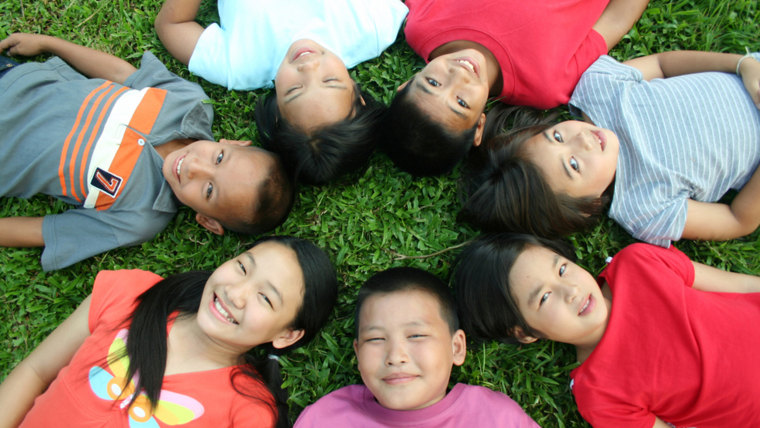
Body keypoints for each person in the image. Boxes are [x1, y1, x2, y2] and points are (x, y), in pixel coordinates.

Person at [0, 33, 294, 271]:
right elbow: (121, 73)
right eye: (218, 159)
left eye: (208, 190)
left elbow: (49, 230)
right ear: (231, 143)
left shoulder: (141, 217)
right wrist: (48, 43)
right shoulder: (190, 103)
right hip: (16, 79)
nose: (194, 167)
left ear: (207, 220)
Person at [0, 236, 338, 428]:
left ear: (287, 335)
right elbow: (35, 370)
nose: (235, 293)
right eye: (242, 267)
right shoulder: (131, 292)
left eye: (265, 297)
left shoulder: (247, 412)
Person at [453, 233, 760, 427]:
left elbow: (737, 285)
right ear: (524, 332)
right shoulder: (599, 395)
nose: (570, 290)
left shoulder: (637, 263)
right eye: (544, 298)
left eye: (561, 269)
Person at [460, 50, 760, 246]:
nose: (583, 140)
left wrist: (742, 65)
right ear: (587, 206)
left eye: (556, 137)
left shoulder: (598, 89)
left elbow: (662, 65)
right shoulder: (643, 207)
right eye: (574, 166)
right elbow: (737, 219)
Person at [380, 0, 649, 176]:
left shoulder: (421, 26)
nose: (458, 76)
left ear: (406, 84)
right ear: (479, 127)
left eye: (433, 83)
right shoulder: (545, 85)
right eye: (461, 102)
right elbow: (615, 19)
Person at [154, 0, 408, 184]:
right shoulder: (373, 27)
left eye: (295, 89)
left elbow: (172, 25)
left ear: (277, 114)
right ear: (359, 96)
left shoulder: (240, 64)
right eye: (330, 80)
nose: (309, 67)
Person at [294, 267, 538, 427]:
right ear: (358, 353)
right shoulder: (326, 419)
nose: (395, 357)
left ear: (456, 348)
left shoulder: (495, 418)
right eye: (376, 339)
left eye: (417, 335)